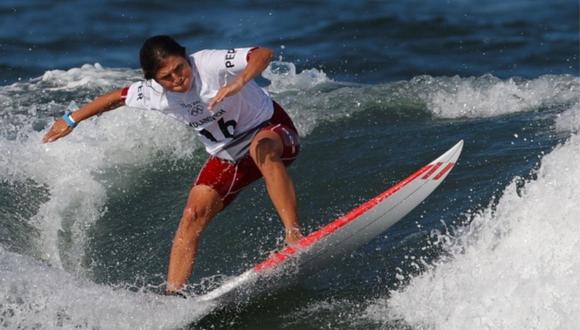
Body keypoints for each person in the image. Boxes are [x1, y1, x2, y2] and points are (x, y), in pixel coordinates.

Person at [42, 35, 303, 295]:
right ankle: (173, 296)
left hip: (270, 128)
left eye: (180, 68)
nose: (177, 78)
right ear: (154, 80)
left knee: (262, 149)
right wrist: (71, 119)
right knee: (192, 214)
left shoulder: (207, 63)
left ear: (186, 57)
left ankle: (293, 236)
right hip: (227, 153)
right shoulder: (153, 93)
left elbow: (262, 53)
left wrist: (239, 82)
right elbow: (117, 97)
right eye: (167, 77)